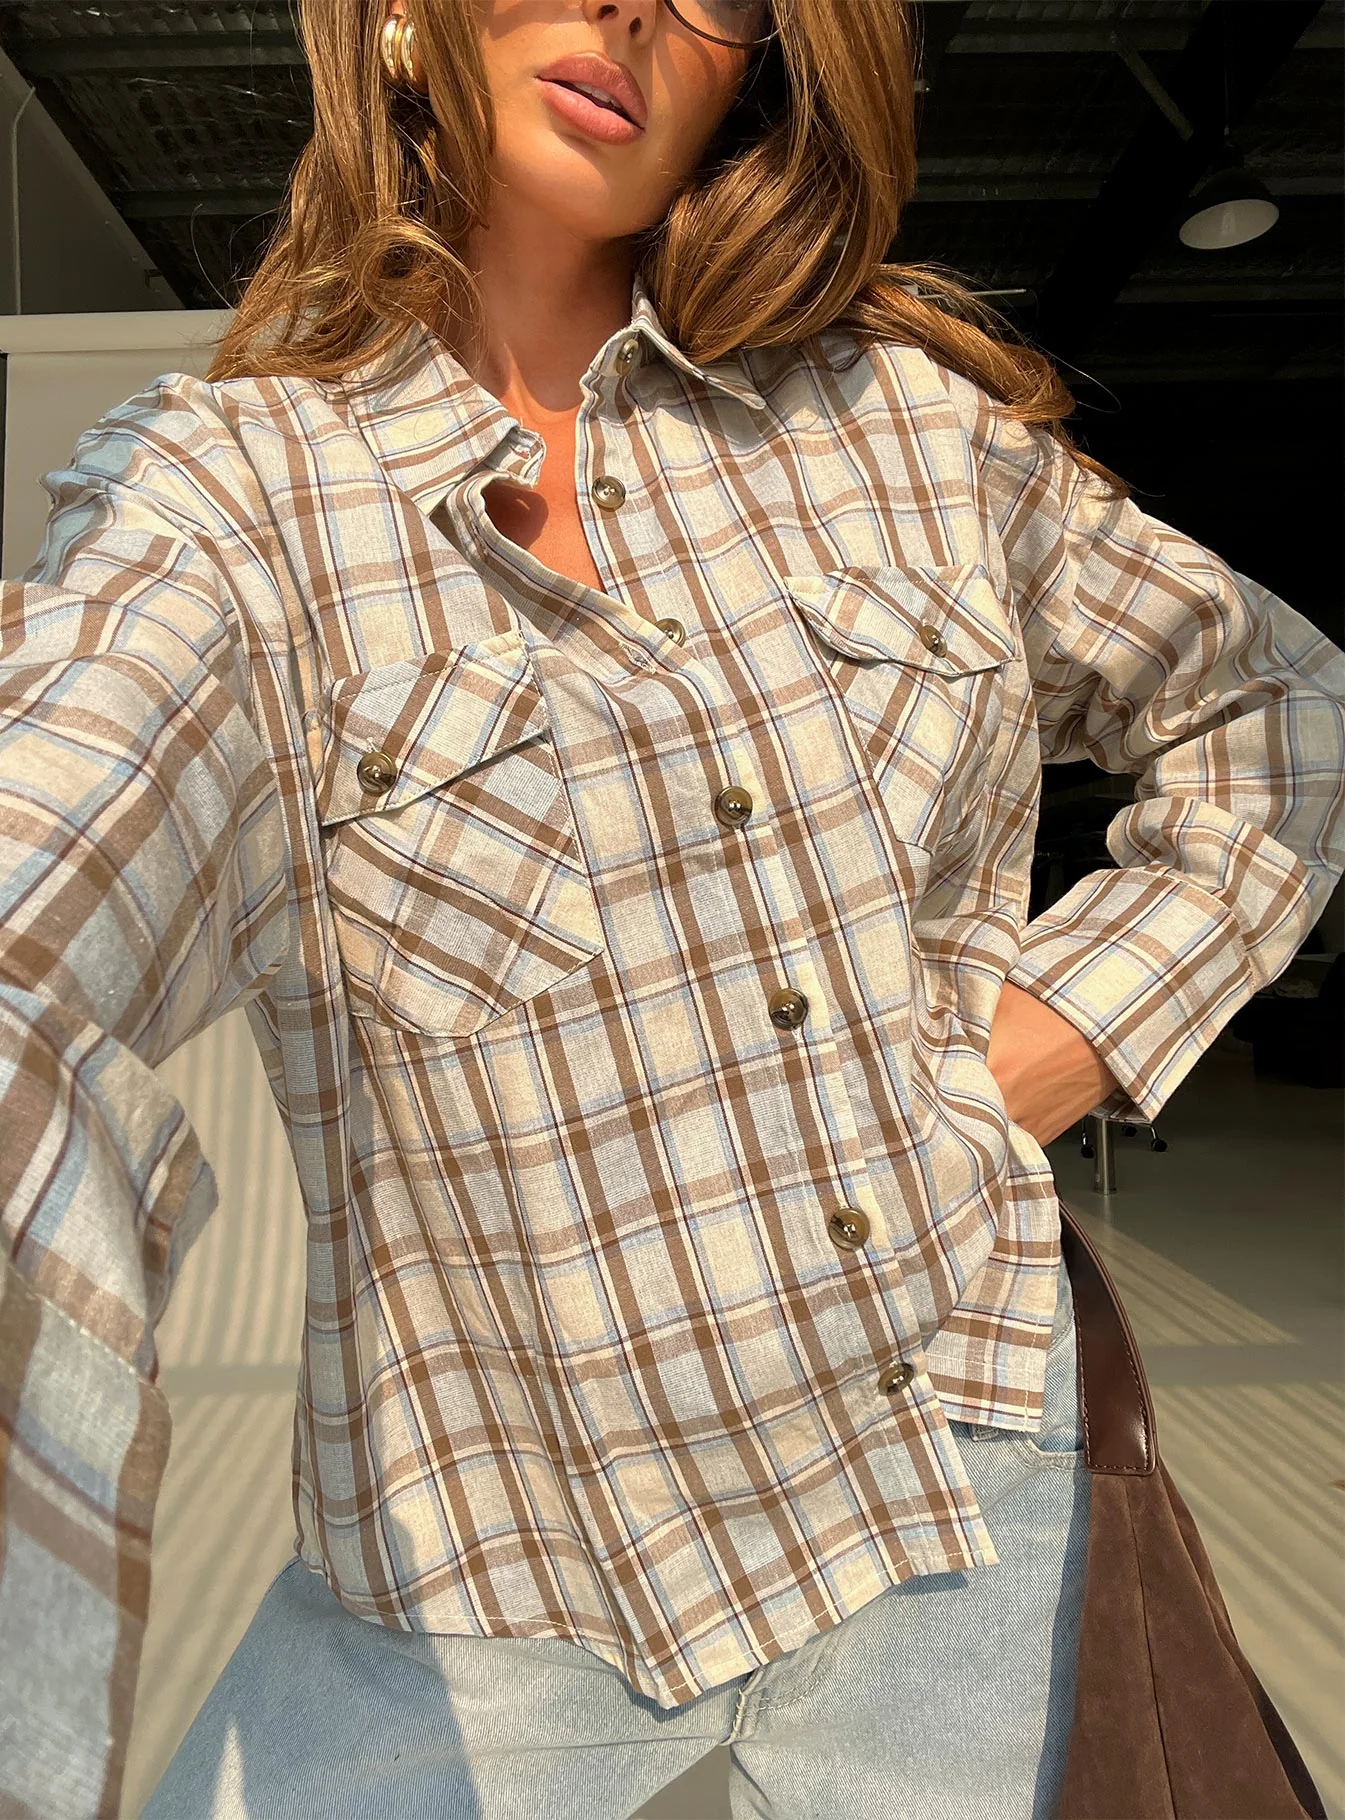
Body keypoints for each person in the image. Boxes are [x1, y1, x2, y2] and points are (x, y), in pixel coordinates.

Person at [1, 0, 1341, 1813]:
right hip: (489, 1568)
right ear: (396, 18)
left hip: (948, 1474)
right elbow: (61, 836)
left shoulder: (903, 433)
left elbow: (1277, 709)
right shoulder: (236, 499)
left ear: (757, 76)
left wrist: (1042, 1049)